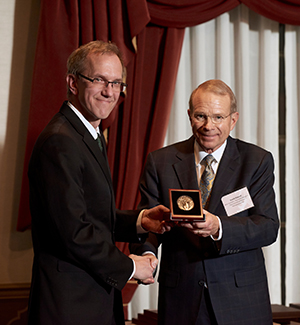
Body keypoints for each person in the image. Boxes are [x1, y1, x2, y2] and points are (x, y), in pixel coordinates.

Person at [27, 40, 171, 325]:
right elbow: (73, 233)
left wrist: (141, 222)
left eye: (117, 83)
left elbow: (91, 215)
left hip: (91, 299)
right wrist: (131, 266)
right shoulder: (60, 141)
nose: (109, 92)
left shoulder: (87, 134)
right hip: (69, 306)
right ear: (73, 82)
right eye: (99, 80)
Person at [131, 80, 279, 325]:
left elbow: (267, 226)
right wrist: (146, 253)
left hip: (241, 300)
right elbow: (148, 220)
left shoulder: (256, 161)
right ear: (190, 116)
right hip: (181, 298)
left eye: (218, 117)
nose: (209, 126)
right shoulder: (160, 162)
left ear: (233, 119)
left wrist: (218, 227)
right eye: (201, 116)